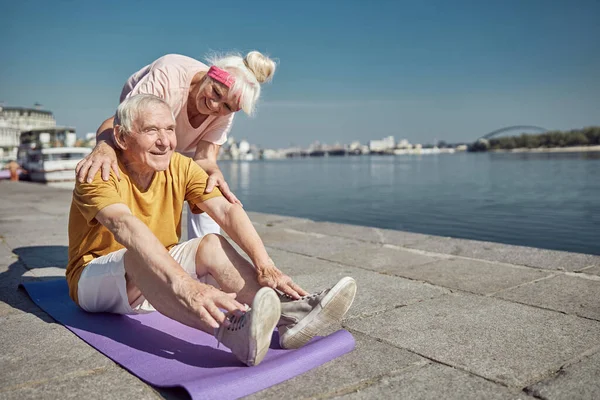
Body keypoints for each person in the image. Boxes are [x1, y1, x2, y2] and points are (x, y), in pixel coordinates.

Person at [67, 95, 357, 367]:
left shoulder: (178, 166)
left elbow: (226, 210)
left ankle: (291, 315)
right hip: (93, 280)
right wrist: (186, 284)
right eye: (151, 131)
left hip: (153, 272)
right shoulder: (98, 171)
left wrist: (266, 265)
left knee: (211, 243)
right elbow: (125, 227)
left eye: (169, 129)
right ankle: (232, 332)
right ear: (121, 137)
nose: (165, 141)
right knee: (137, 255)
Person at [76, 52, 273, 240]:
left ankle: (206, 255)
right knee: (130, 172)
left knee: (210, 184)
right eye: (215, 92)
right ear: (210, 73)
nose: (215, 106)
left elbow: (205, 159)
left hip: (177, 145)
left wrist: (215, 173)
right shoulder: (168, 77)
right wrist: (103, 147)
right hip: (141, 130)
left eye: (227, 107)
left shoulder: (225, 114)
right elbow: (117, 124)